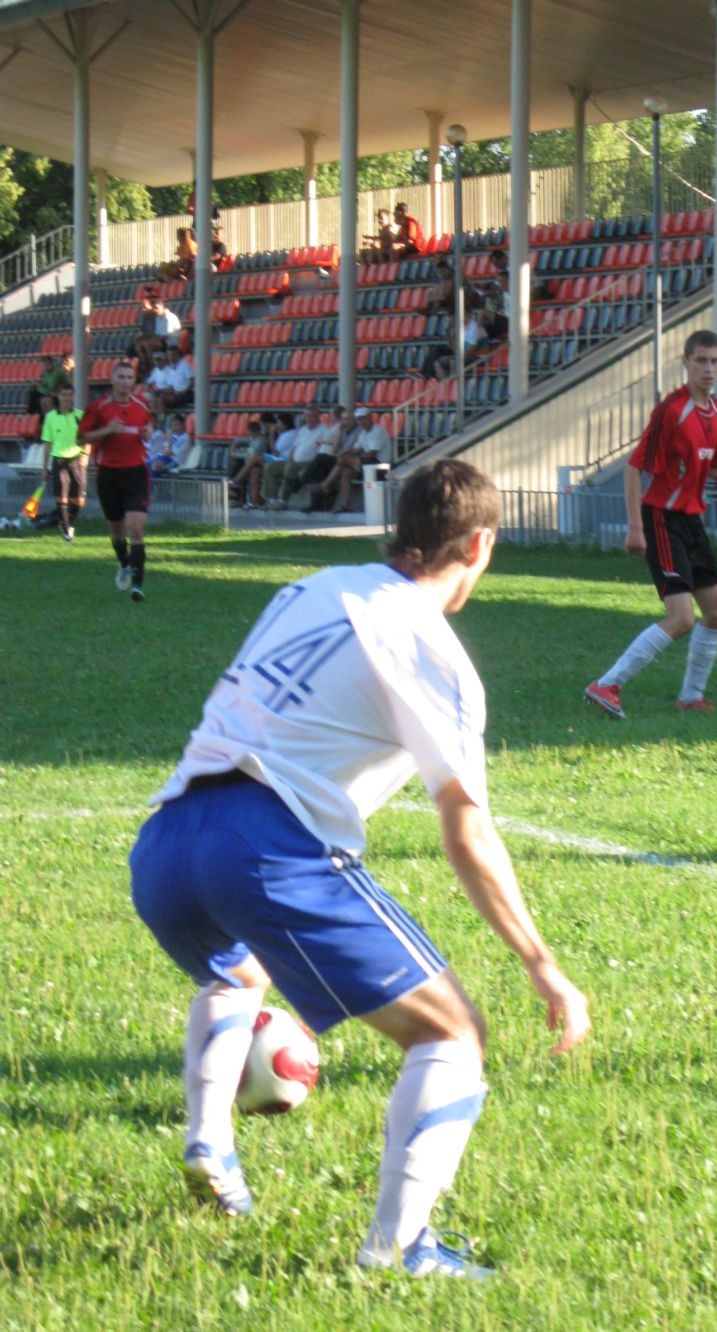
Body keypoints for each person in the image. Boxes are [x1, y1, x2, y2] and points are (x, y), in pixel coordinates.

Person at [129, 458, 591, 1275]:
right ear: (480, 545)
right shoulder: (433, 651)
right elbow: (466, 830)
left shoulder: (313, 587)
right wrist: (541, 962)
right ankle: (400, 1249)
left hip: (166, 840)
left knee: (238, 972)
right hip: (262, 846)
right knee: (451, 1032)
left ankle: (210, 1145)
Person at [584, 330, 717, 719]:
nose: (709, 369)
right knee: (681, 618)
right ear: (686, 362)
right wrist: (635, 527)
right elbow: (633, 467)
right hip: (661, 519)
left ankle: (691, 697)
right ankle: (607, 684)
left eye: (715, 361)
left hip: (691, 521)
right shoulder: (672, 410)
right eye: (701, 361)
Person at [79, 361, 153, 602]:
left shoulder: (141, 405)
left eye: (129, 377)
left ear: (134, 381)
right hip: (109, 474)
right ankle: (123, 562)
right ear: (112, 380)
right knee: (117, 532)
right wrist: (106, 430)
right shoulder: (98, 408)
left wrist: (148, 431)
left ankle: (138, 586)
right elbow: (80, 438)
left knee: (136, 529)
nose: (125, 382)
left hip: (136, 472)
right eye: (121, 377)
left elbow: (148, 424)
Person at [308, 406, 390, 515]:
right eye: (359, 419)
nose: (362, 421)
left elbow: (371, 454)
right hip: (366, 464)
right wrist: (344, 452)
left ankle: (325, 485)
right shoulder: (363, 433)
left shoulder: (378, 431)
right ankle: (345, 505)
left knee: (342, 459)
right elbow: (355, 449)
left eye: (364, 418)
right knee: (345, 472)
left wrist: (348, 457)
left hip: (379, 465)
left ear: (370, 417)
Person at [40, 383, 88, 541]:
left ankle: (66, 521)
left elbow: (88, 439)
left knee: (79, 500)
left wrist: (85, 456)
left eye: (70, 395)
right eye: (64, 395)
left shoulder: (80, 416)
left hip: (76, 461)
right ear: (58, 396)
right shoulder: (51, 417)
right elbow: (48, 444)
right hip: (59, 461)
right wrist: (44, 467)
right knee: (62, 497)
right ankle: (67, 531)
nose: (67, 398)